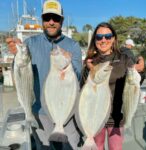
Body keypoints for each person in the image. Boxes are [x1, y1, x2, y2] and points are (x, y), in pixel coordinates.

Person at [6, 0, 82, 149]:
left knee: (70, 147)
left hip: (66, 112)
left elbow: (78, 76)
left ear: (62, 20)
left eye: (56, 18)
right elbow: (20, 75)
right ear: (42, 20)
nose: (51, 22)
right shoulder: (30, 44)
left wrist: (69, 64)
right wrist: (16, 55)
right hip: (39, 113)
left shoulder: (73, 46)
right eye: (47, 18)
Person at [80, 22, 136, 150]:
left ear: (114, 38)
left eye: (107, 36)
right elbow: (83, 87)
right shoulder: (90, 61)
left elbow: (136, 79)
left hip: (116, 115)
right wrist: (89, 70)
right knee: (97, 146)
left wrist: (142, 69)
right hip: (95, 114)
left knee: (115, 148)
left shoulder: (124, 58)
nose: (103, 40)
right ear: (95, 40)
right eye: (99, 37)